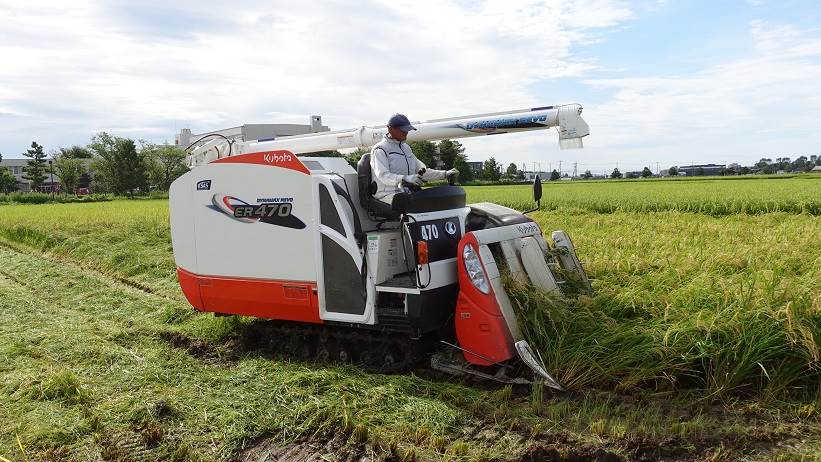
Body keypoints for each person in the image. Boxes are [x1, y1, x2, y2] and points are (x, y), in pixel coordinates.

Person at [370, 113, 458, 205]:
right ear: (390, 129)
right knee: (415, 205)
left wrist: (445, 174)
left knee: (438, 201)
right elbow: (383, 176)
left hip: (407, 193)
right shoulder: (380, 149)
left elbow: (422, 172)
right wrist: (405, 178)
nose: (406, 132)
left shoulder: (406, 148)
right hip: (387, 195)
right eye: (403, 130)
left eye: (407, 130)